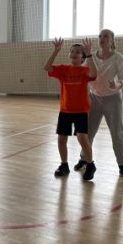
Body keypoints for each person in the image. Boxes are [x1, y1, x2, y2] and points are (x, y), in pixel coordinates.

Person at [73, 29, 123, 177]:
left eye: (105, 36)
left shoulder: (118, 58)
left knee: (117, 133)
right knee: (88, 132)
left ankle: (122, 164)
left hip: (113, 99)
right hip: (94, 99)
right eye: (100, 36)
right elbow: (82, 74)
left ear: (112, 40)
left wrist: (117, 85)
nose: (102, 38)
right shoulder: (90, 57)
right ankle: (84, 159)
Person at [44, 38, 98, 181]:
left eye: (78, 52)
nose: (74, 53)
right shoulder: (63, 69)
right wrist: (56, 50)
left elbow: (94, 74)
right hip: (65, 111)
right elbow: (47, 67)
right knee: (61, 139)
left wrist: (90, 54)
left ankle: (90, 165)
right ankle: (64, 165)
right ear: (69, 55)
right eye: (72, 51)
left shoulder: (85, 70)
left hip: (81, 111)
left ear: (82, 57)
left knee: (82, 139)